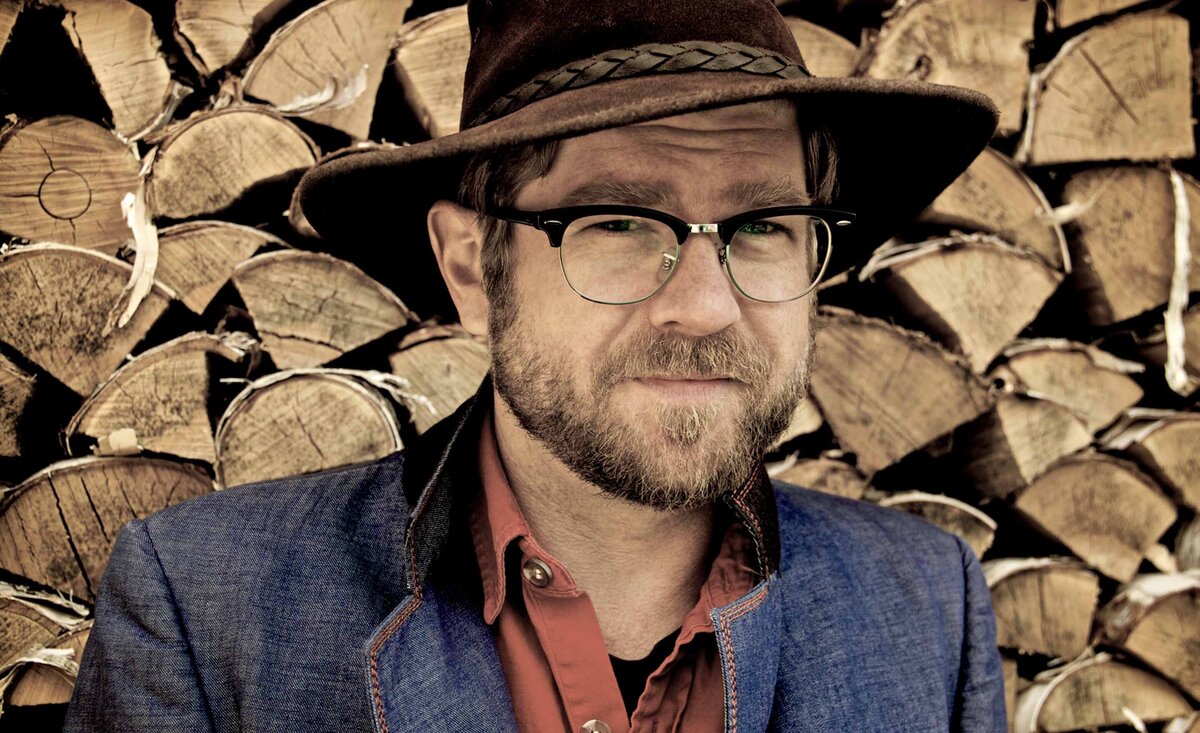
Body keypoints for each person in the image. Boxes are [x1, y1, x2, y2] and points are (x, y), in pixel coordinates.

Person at [65, 0, 1006, 730]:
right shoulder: (206, 606)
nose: (708, 304)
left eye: (761, 227)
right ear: (473, 268)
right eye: (619, 224)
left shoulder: (927, 604)